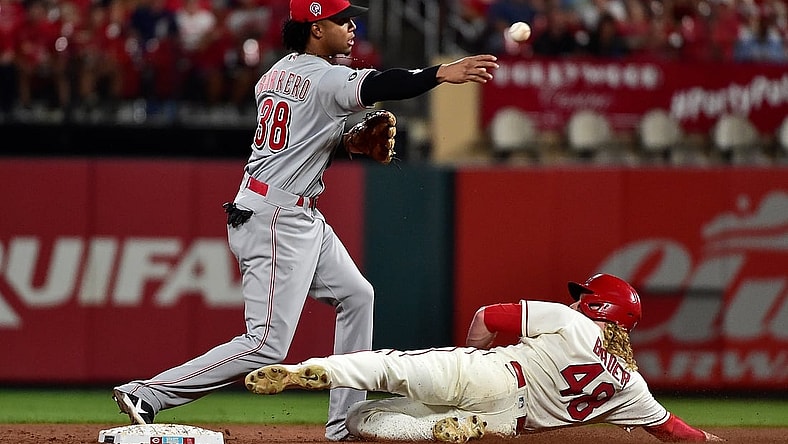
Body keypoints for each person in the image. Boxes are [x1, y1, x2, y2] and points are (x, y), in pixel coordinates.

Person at [111, 0, 499, 441]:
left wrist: (347, 145)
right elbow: (382, 83)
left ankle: (346, 424)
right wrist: (438, 73)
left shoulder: (272, 77)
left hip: (288, 208)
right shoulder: (329, 76)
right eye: (341, 20)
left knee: (357, 295)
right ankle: (148, 394)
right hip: (277, 217)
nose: (352, 27)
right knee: (266, 345)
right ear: (315, 28)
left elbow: (298, 140)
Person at [245, 273, 724, 443]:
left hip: (490, 373)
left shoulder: (572, 321)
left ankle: (307, 370)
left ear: (600, 308)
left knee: (392, 367)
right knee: (361, 420)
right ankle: (435, 432)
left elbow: (488, 316)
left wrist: (471, 355)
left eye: (586, 296)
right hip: (506, 423)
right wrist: (706, 438)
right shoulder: (631, 385)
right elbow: (670, 430)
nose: (578, 300)